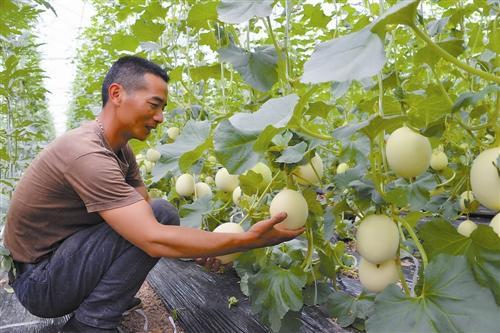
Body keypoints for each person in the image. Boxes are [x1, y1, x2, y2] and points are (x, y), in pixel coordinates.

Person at [4, 56, 304, 333]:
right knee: (158, 221)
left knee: (162, 212)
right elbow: (151, 236)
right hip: (40, 282)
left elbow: (146, 213)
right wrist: (246, 240)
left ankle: (98, 308)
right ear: (117, 94)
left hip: (61, 263)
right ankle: (90, 324)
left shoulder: (120, 150)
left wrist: (203, 246)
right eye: (154, 105)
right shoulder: (85, 153)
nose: (160, 117)